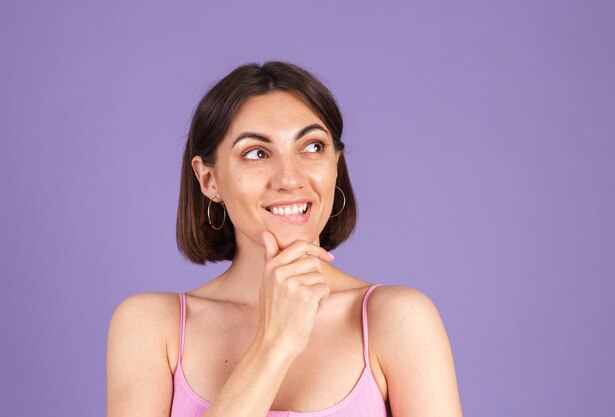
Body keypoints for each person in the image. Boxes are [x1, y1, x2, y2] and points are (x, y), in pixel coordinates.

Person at [106, 61, 463, 417]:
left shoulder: (399, 318)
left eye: (311, 147)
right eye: (256, 153)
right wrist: (273, 345)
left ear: (335, 165)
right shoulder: (151, 326)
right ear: (208, 180)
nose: (289, 179)